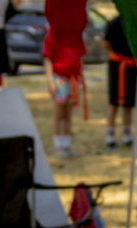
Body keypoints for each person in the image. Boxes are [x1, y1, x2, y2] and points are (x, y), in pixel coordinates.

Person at [43, 30, 83, 158]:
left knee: (68, 115)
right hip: (59, 79)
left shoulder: (75, 35)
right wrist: (50, 81)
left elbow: (79, 57)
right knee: (58, 114)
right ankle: (58, 146)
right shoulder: (52, 35)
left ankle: (66, 145)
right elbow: (47, 58)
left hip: (73, 79)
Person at [103, 15, 136, 149]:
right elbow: (106, 43)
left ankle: (127, 135)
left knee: (128, 103)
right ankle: (110, 135)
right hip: (117, 65)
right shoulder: (114, 23)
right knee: (113, 102)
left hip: (131, 66)